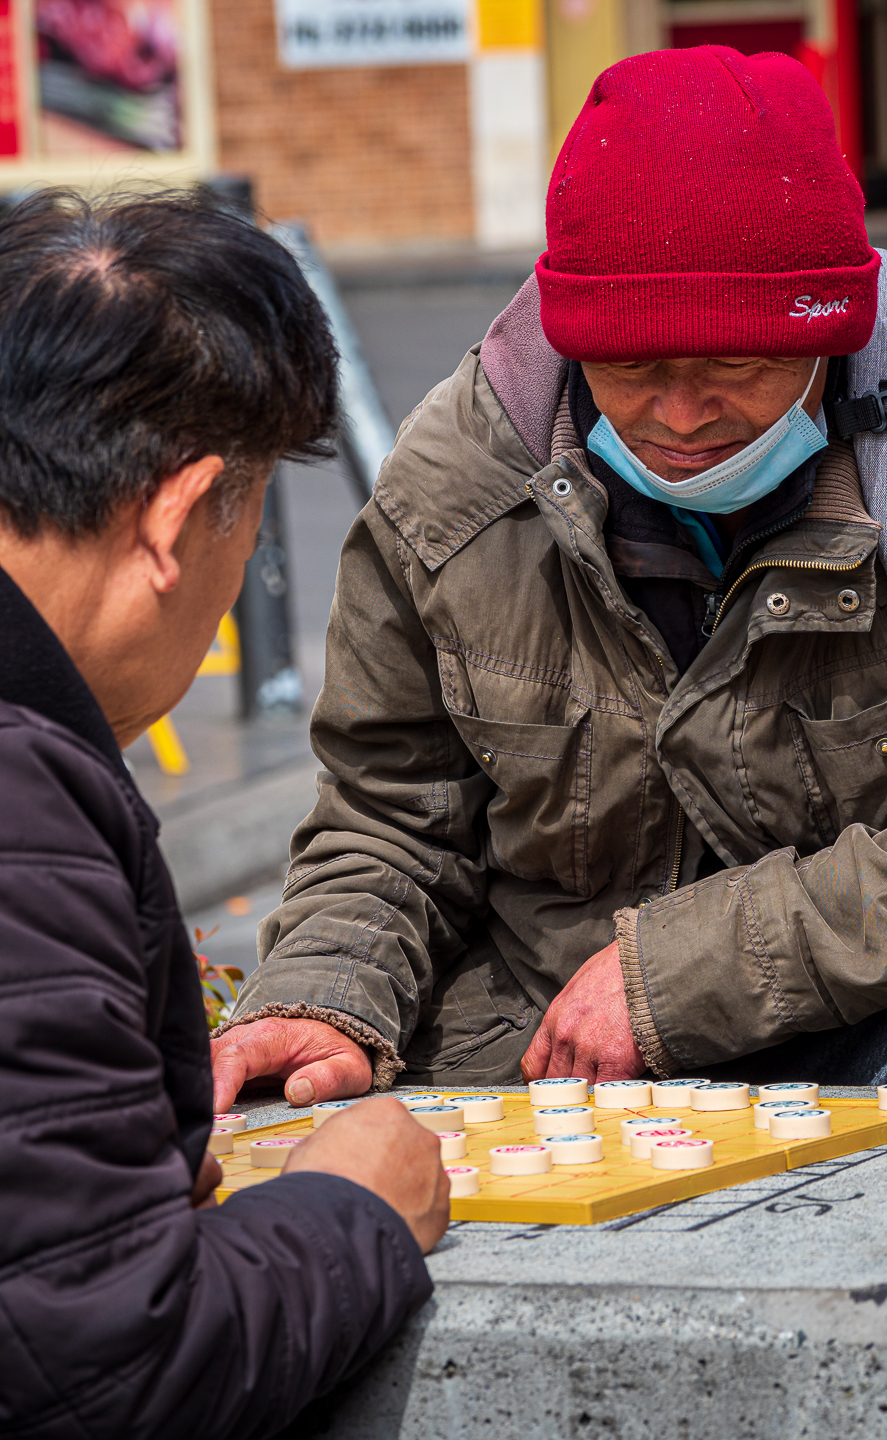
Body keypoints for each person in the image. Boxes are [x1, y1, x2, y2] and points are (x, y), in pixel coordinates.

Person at [212, 45, 887, 1113]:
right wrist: (319, 995)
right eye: (632, 370)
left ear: (833, 337)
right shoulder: (458, 487)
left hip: (880, 1019)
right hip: (552, 1051)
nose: (680, 418)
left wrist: (681, 976)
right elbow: (390, 814)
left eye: (736, 368)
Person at [0, 189, 448, 1440]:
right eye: (242, 536)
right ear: (181, 515)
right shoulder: (20, 804)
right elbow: (102, 1365)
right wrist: (353, 1213)